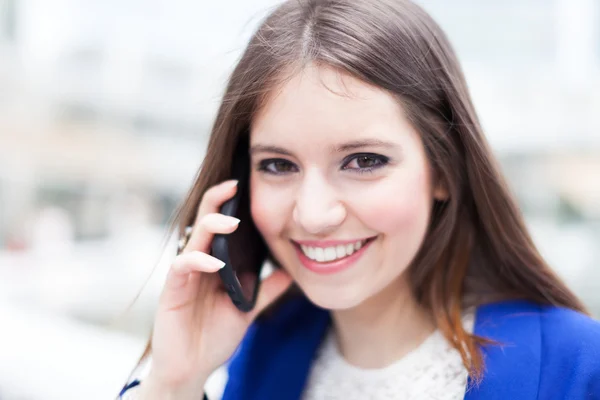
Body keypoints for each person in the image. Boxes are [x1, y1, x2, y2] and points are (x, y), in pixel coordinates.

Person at [119, 0, 600, 399]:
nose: (314, 213)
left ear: (444, 171)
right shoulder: (262, 349)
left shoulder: (576, 367)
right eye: (278, 165)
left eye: (364, 161)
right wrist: (174, 382)